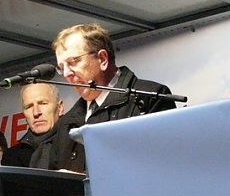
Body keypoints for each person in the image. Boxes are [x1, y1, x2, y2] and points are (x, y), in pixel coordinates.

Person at [50, 23, 177, 173]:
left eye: (73, 62)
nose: (66, 73)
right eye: (61, 67)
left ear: (102, 59)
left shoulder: (151, 97)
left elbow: (163, 166)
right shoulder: (66, 123)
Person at [3, 83, 64, 170]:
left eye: (43, 103)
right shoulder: (11, 157)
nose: (36, 112)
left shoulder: (79, 143)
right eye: (29, 107)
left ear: (60, 108)